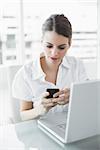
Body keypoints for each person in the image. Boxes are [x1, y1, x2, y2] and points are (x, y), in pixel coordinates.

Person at [12, 14, 88, 121]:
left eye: (61, 47)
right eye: (49, 46)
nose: (54, 53)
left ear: (69, 44)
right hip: (39, 130)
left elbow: (89, 101)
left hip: (69, 126)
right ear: (41, 42)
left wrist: (75, 97)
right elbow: (23, 115)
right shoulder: (26, 74)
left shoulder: (77, 66)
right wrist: (40, 109)